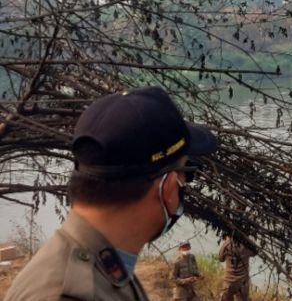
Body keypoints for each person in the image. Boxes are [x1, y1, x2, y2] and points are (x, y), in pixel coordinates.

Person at [4, 87, 218, 301]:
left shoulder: (105, 270)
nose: (185, 184)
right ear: (168, 187)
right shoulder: (73, 292)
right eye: (187, 174)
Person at [217, 236, 256, 301]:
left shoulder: (227, 245)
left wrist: (226, 241)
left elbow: (220, 258)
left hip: (229, 281)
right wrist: (248, 239)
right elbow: (255, 251)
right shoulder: (246, 246)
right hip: (242, 282)